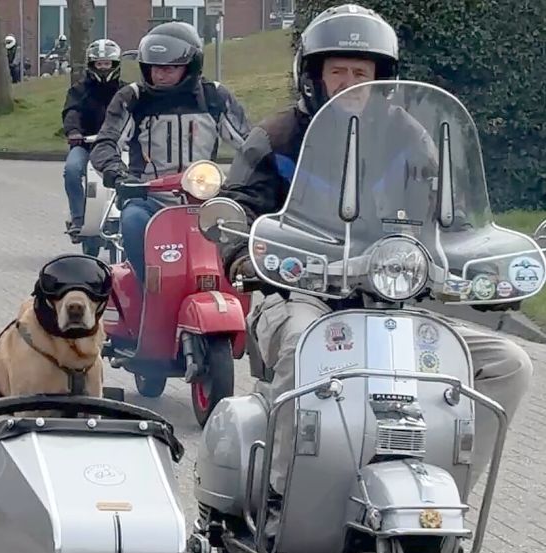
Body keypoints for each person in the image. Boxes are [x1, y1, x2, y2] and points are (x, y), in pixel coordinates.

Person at [216, 3, 533, 538]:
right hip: (299, 294)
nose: (348, 82)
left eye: (361, 72)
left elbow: (450, 221)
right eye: (337, 70)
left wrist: (478, 270)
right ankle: (280, 502)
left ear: (382, 77)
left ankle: (446, 506)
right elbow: (237, 208)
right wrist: (243, 253)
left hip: (392, 303)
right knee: (301, 345)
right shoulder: (278, 136)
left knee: (509, 363)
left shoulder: (413, 139)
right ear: (313, 75)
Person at [90, 21, 250, 285]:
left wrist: (254, 177)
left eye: (170, 68)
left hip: (207, 200)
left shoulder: (215, 97)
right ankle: (148, 291)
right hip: (149, 199)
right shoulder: (132, 98)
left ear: (191, 66)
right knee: (131, 221)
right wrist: (116, 173)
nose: (160, 75)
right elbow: (106, 143)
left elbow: (249, 144)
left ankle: (234, 299)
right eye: (154, 68)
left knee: (245, 232)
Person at [61, 39, 125, 238]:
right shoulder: (79, 90)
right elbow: (72, 111)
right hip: (86, 143)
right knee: (72, 170)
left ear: (115, 65)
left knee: (137, 175)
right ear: (92, 65)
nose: (104, 68)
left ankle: (130, 214)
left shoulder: (126, 91)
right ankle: (78, 217)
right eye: (99, 64)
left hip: (119, 146)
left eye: (107, 64)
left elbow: (137, 114)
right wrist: (73, 132)